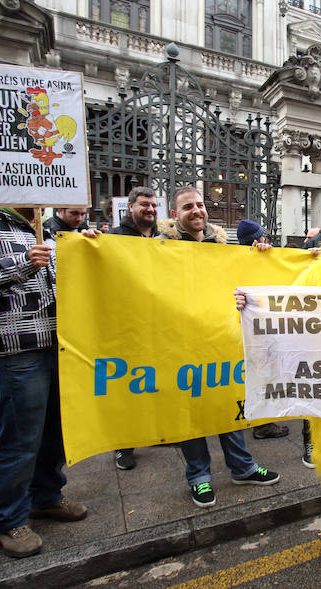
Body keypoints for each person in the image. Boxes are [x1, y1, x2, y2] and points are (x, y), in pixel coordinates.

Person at [0, 205, 87, 558]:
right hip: (20, 350)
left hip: (63, 346)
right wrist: (24, 261)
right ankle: (7, 518)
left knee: (55, 432)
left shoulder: (49, 227)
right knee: (20, 437)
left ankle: (46, 497)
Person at [160, 186, 280, 508]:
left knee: (228, 404)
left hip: (220, 339)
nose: (197, 210)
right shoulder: (161, 249)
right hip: (182, 341)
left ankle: (242, 467)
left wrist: (259, 258)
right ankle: (199, 478)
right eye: (188, 206)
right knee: (192, 411)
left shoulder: (223, 246)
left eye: (200, 204)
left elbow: (241, 287)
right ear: (175, 214)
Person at [107, 186, 161, 470]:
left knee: (152, 380)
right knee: (125, 386)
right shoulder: (113, 237)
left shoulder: (164, 239)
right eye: (144, 205)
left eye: (153, 205)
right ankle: (122, 445)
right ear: (130, 207)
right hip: (126, 322)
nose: (150, 210)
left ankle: (151, 432)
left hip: (155, 322)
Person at [236, 219, 290, 441]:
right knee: (262, 372)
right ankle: (263, 424)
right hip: (258, 330)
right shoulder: (251, 261)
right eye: (264, 237)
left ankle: (260, 420)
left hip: (254, 328)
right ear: (258, 240)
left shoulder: (236, 259)